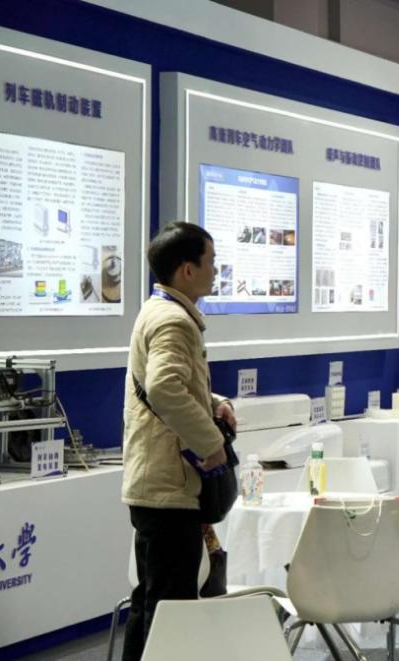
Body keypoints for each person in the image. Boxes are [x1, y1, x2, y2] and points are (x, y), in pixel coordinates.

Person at [121, 221, 236, 661]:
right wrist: (211, 444)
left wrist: (214, 402)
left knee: (151, 603)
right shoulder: (173, 320)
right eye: (210, 262)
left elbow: (171, 382)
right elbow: (164, 387)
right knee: (171, 609)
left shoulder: (158, 311)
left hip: (155, 483)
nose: (215, 270)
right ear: (187, 270)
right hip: (170, 486)